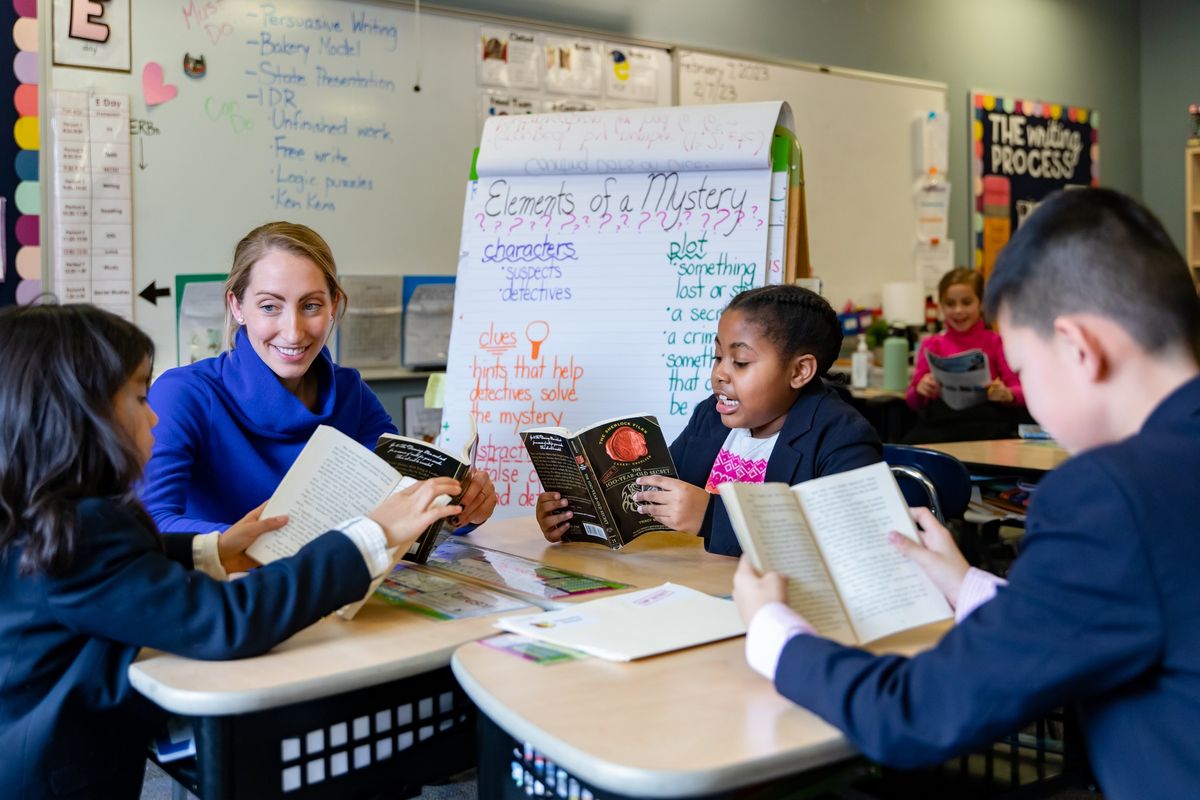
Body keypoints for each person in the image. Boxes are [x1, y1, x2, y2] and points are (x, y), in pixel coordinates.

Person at [733, 188, 1200, 799]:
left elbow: (917, 716)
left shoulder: (1112, 494)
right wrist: (973, 587)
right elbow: (1147, 608)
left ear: (1080, 348)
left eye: (1026, 369)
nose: (1029, 393)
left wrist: (774, 631)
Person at [0, 304, 464, 799]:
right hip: (55, 778)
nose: (154, 414)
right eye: (139, 396)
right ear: (79, 416)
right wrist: (370, 533)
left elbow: (126, 577)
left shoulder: (38, 512)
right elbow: (226, 621)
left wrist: (214, 550)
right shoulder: (83, 529)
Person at [143, 222, 496, 533]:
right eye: (270, 306)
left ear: (334, 305)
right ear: (237, 307)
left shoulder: (349, 393)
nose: (293, 332)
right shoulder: (183, 394)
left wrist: (463, 506)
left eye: (311, 306)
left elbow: (406, 501)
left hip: (324, 593)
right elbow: (150, 523)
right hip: (226, 596)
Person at [536, 284, 882, 556]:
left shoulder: (842, 436)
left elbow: (846, 542)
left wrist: (711, 517)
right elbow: (659, 495)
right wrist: (577, 516)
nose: (719, 374)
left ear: (800, 371)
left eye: (741, 362)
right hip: (697, 587)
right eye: (718, 356)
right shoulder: (711, 417)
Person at [903, 267, 1028, 443]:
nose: (958, 310)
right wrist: (920, 389)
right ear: (941, 306)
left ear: (981, 303)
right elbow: (911, 400)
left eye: (967, 302)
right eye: (950, 304)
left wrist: (1008, 394)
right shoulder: (931, 344)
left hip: (987, 429)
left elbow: (1021, 391)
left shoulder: (996, 342)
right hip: (941, 428)